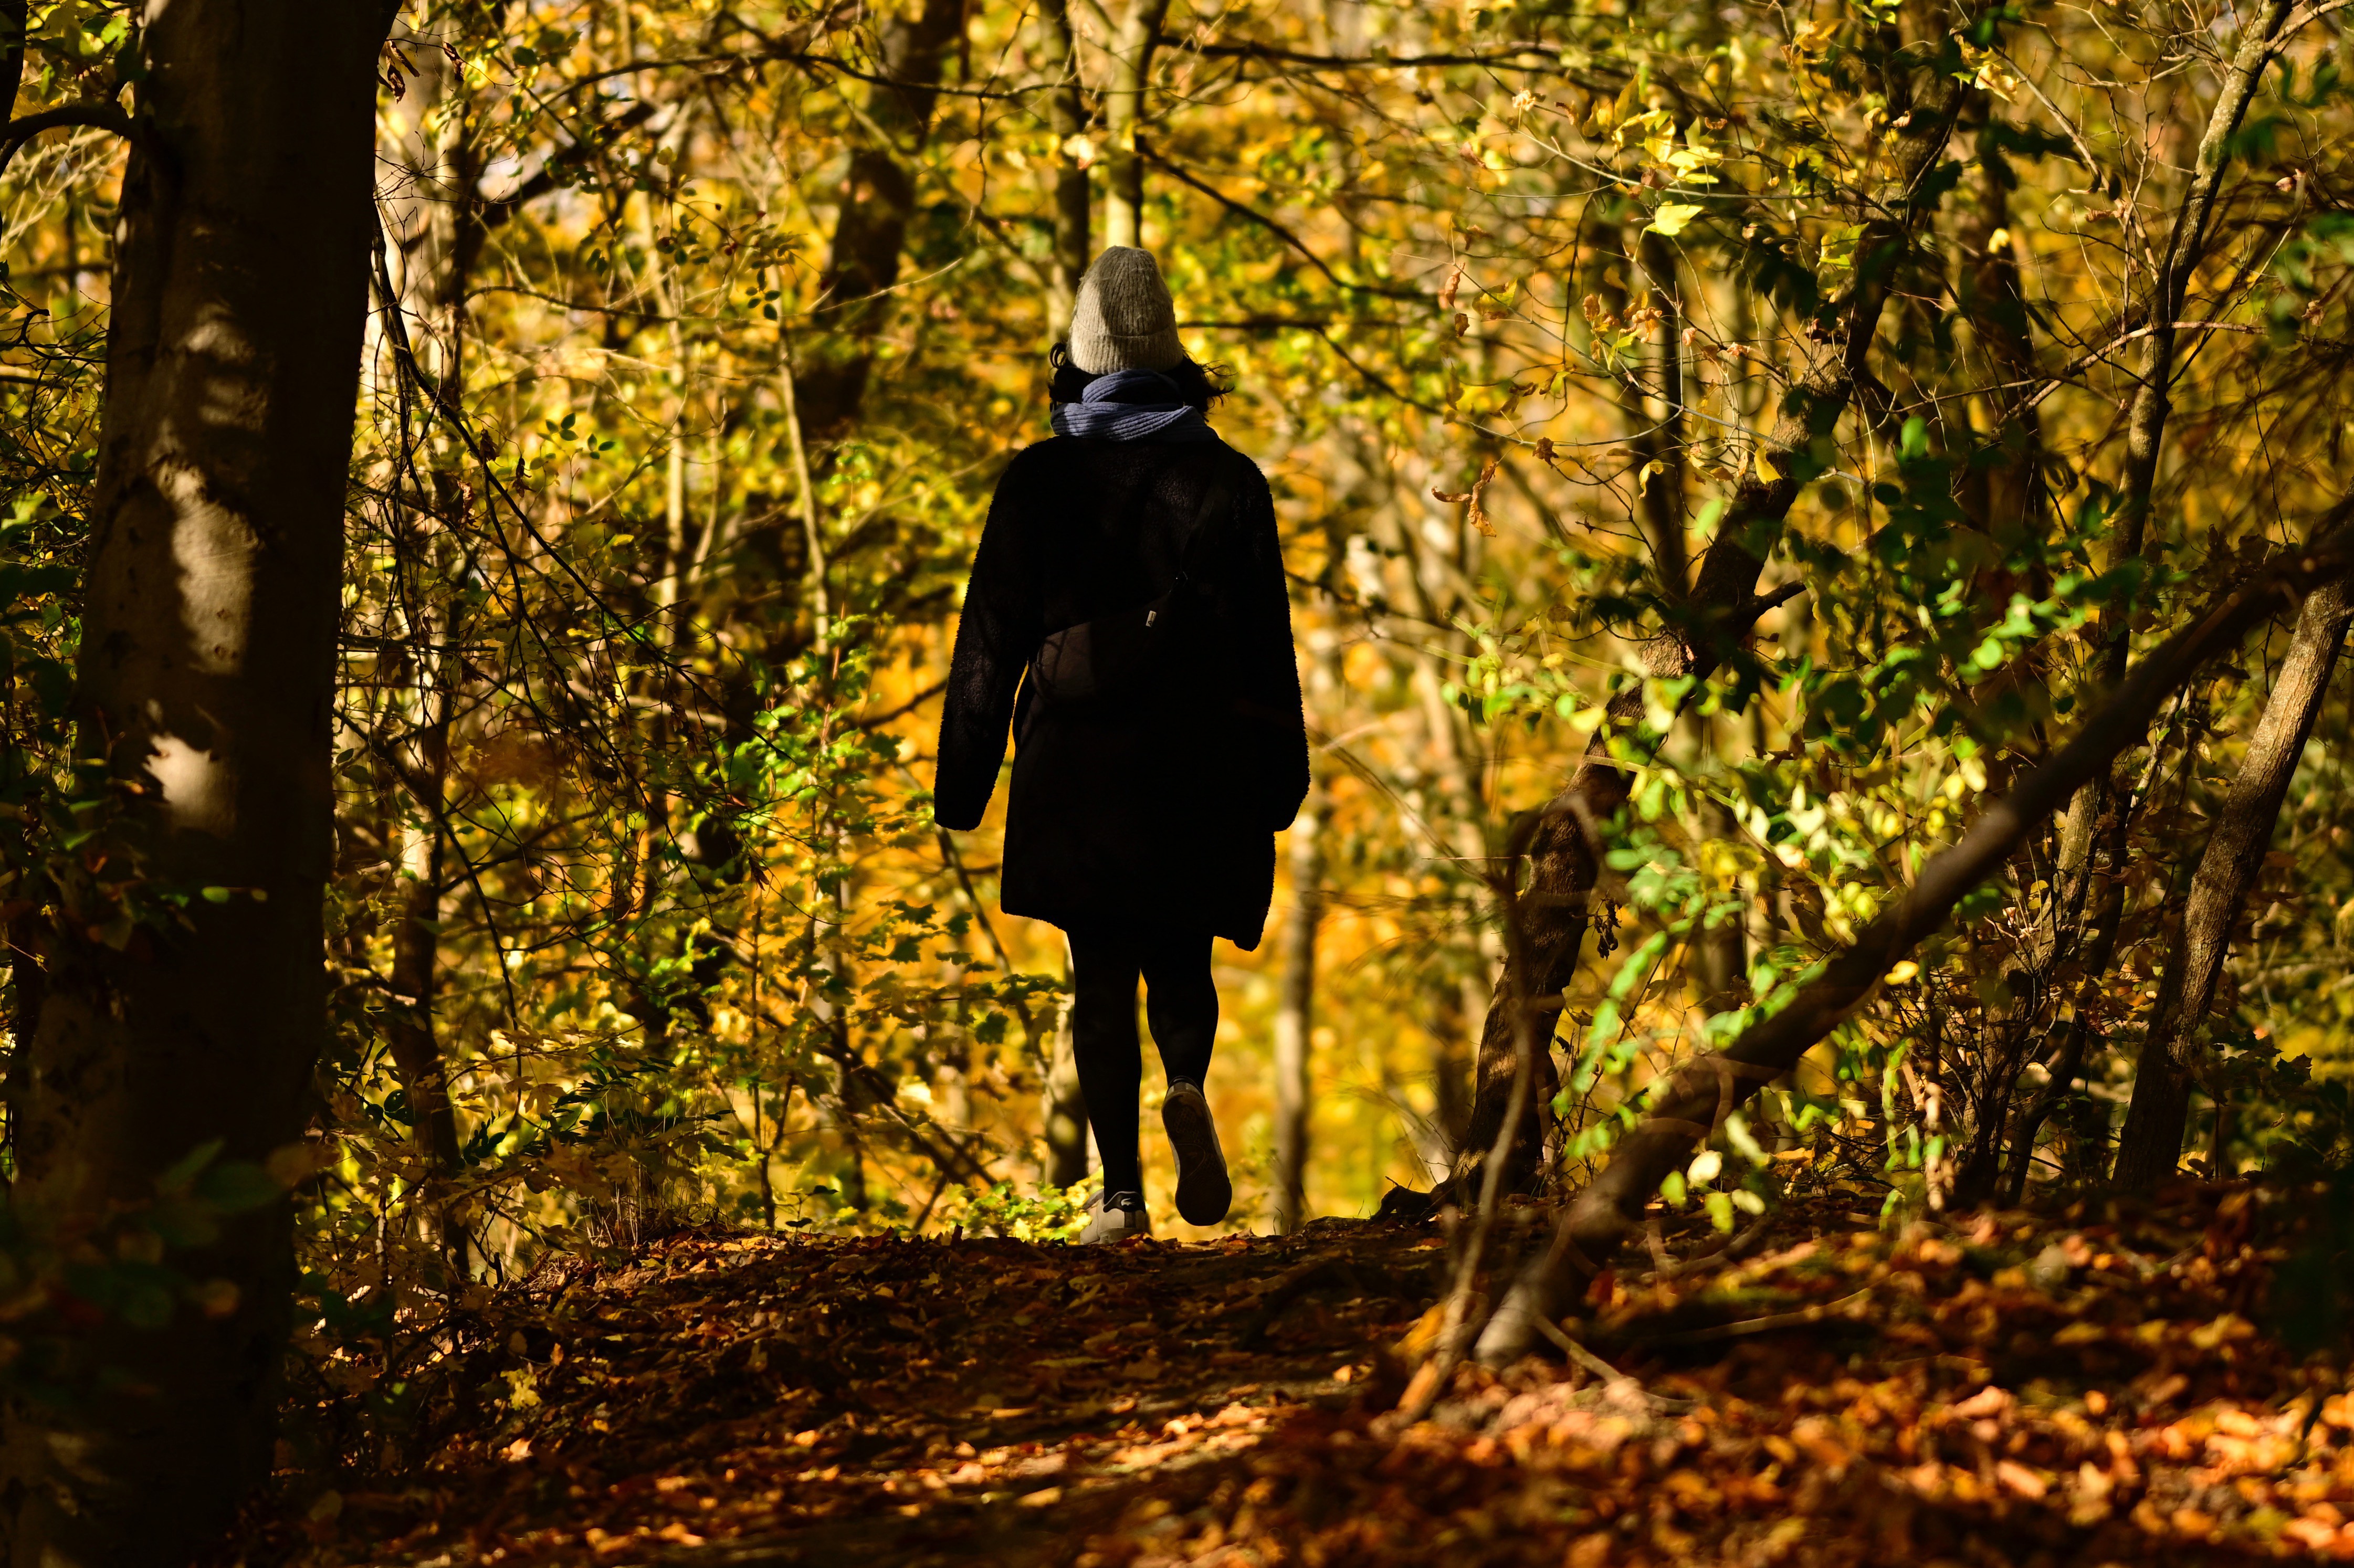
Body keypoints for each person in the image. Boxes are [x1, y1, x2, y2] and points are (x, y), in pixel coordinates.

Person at [934, 247, 1308, 1243]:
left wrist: (963, 780)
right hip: (1201, 764)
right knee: (1182, 957)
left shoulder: (1038, 482)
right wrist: (1282, 775)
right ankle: (1185, 1081)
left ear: (1078, 362)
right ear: (1171, 361)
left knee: (1097, 975)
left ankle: (1119, 1199)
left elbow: (989, 639)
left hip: (1076, 766)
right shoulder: (1230, 480)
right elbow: (1266, 639)